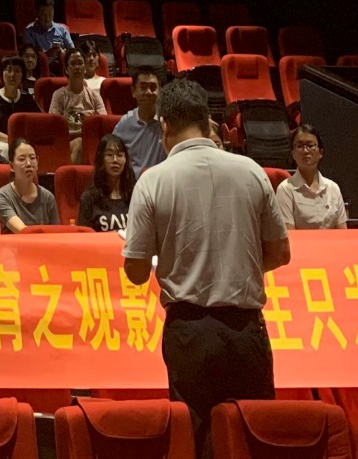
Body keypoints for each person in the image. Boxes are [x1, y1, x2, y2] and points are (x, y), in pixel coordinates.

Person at [123, 79, 289, 458]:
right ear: (206, 120)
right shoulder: (252, 171)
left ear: (164, 125)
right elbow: (280, 252)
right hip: (247, 330)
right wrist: (239, 267)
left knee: (198, 443)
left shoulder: (153, 181)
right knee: (255, 438)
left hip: (190, 333)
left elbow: (135, 271)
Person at [275, 124, 347, 230]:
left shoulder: (333, 188)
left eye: (310, 145)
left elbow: (343, 233)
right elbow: (290, 235)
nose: (305, 151)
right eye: (299, 146)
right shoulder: (285, 189)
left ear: (320, 152)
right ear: (293, 154)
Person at [49, 47, 106, 163]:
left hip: (91, 142)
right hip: (66, 143)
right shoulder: (59, 95)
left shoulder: (94, 96)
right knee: (79, 143)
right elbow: (54, 127)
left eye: (80, 63)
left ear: (85, 68)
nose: (77, 67)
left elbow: (103, 123)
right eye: (73, 64)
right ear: (66, 69)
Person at [0, 139, 59, 232]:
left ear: (37, 162)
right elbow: (22, 231)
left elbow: (56, 233)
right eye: (22, 159)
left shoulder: (48, 197)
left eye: (32, 158)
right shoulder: (2, 196)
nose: (28, 164)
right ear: (11, 166)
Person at [113, 66, 167, 174]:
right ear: (133, 91)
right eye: (143, 87)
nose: (148, 92)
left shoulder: (167, 122)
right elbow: (113, 154)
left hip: (160, 180)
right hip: (131, 181)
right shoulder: (125, 123)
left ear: (160, 92)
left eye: (153, 88)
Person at [78, 134, 135, 232]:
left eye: (120, 155)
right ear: (101, 159)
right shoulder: (89, 198)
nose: (115, 160)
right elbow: (83, 236)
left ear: (125, 160)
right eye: (109, 155)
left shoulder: (134, 195)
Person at [0, 55, 40, 157]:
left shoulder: (28, 99)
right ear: (2, 73)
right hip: (3, 142)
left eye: (17, 71)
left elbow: (38, 124)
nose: (12, 75)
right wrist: (15, 142)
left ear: (22, 75)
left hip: (26, 143)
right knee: (5, 149)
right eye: (9, 70)